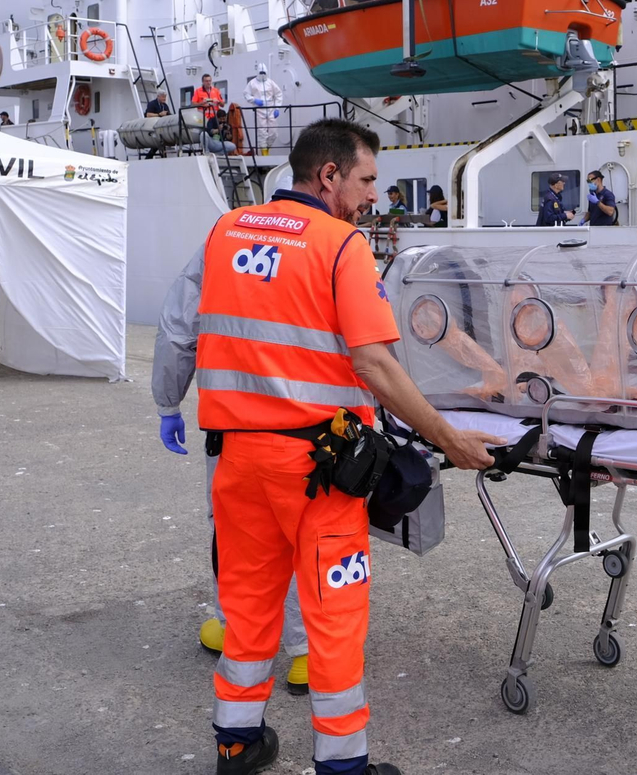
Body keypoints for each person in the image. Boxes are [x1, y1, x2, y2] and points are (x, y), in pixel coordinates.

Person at [152, 118, 501, 775]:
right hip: (317, 470)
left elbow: (178, 324)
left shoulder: (225, 232)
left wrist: (167, 401)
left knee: (249, 606)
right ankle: (344, 764)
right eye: (366, 179)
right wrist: (447, 437)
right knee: (334, 616)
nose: (373, 193)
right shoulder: (340, 246)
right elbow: (374, 362)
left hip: (234, 463)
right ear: (329, 175)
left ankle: (237, 742)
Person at [245, 64, 286, 150]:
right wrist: (254, 100)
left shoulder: (270, 83)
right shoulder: (252, 83)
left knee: (274, 133)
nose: (263, 74)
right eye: (261, 72)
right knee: (262, 132)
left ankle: (266, 148)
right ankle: (264, 153)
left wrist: (277, 108)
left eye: (264, 72)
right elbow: (246, 94)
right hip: (259, 109)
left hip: (270, 109)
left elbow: (278, 94)